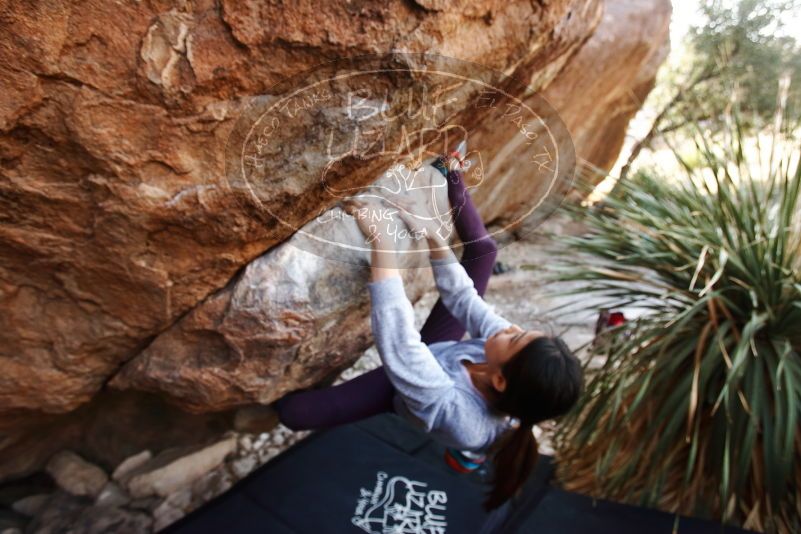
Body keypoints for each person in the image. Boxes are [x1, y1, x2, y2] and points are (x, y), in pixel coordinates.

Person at [275, 155, 583, 510]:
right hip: (441, 352)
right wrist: (432, 233)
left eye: (515, 338)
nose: (510, 327)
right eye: (523, 331)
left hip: (405, 388)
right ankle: (452, 172)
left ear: (500, 381)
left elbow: (401, 344)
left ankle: (475, 453)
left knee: (294, 414)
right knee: (484, 253)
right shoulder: (509, 360)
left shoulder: (464, 421)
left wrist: (382, 243)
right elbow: (464, 298)